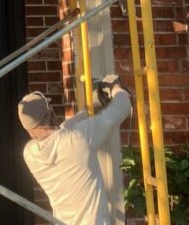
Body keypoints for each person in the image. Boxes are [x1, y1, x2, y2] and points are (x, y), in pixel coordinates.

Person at [18, 77, 131, 225]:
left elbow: (61, 130)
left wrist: (93, 107)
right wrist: (115, 87)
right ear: (50, 112)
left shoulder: (29, 153)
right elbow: (123, 106)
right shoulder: (78, 138)